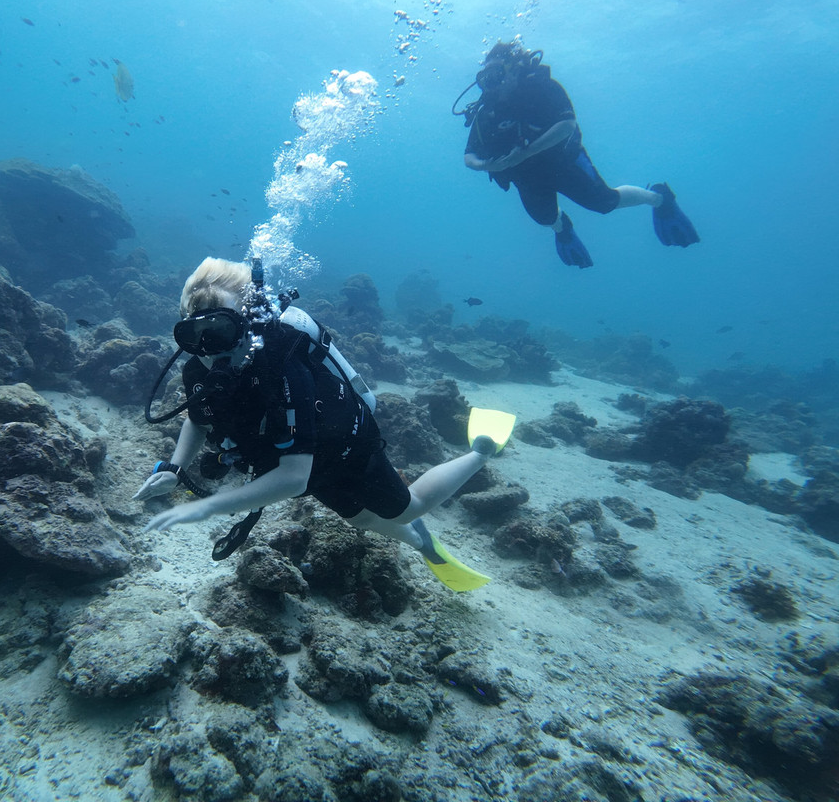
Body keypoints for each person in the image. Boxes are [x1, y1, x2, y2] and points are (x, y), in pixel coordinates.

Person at [134, 256, 517, 592]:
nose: (209, 350)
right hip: (296, 460)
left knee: (406, 510)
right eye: (193, 336)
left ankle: (481, 451)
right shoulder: (196, 370)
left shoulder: (282, 366)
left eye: (220, 331)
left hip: (344, 449)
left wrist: (209, 508)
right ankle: (423, 545)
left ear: (248, 323)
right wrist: (174, 468)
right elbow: (199, 422)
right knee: (365, 520)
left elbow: (293, 479)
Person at [459, 40, 700, 268]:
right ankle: (562, 227)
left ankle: (659, 198)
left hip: (563, 162)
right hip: (526, 177)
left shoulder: (544, 89)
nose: (491, 83)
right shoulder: (486, 113)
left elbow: (567, 125)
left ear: (514, 70)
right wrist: (485, 166)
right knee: (545, 219)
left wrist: (525, 154)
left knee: (604, 203)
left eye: (497, 74)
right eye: (485, 77)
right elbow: (469, 155)